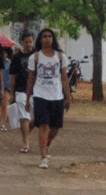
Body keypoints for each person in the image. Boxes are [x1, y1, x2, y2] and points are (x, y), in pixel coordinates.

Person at [25, 28, 72, 169]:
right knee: (44, 126)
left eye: (50, 36)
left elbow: (64, 78)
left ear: (53, 39)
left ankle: (47, 144)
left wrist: (68, 97)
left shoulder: (60, 56)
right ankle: (43, 157)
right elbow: (31, 78)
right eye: (44, 36)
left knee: (55, 126)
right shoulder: (35, 57)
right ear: (40, 39)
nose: (47, 39)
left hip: (57, 95)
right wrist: (28, 98)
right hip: (40, 94)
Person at [8, 31, 35, 152]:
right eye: (26, 42)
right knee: (24, 116)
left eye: (30, 41)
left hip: (37, 91)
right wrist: (12, 93)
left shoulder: (38, 55)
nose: (29, 44)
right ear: (21, 43)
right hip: (21, 90)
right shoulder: (17, 57)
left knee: (36, 118)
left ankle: (26, 133)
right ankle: (25, 143)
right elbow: (13, 76)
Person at [0, 47, 14, 130]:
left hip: (7, 87)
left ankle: (2, 123)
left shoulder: (10, 63)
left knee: (4, 104)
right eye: (2, 53)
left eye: (5, 53)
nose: (3, 55)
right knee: (0, 105)